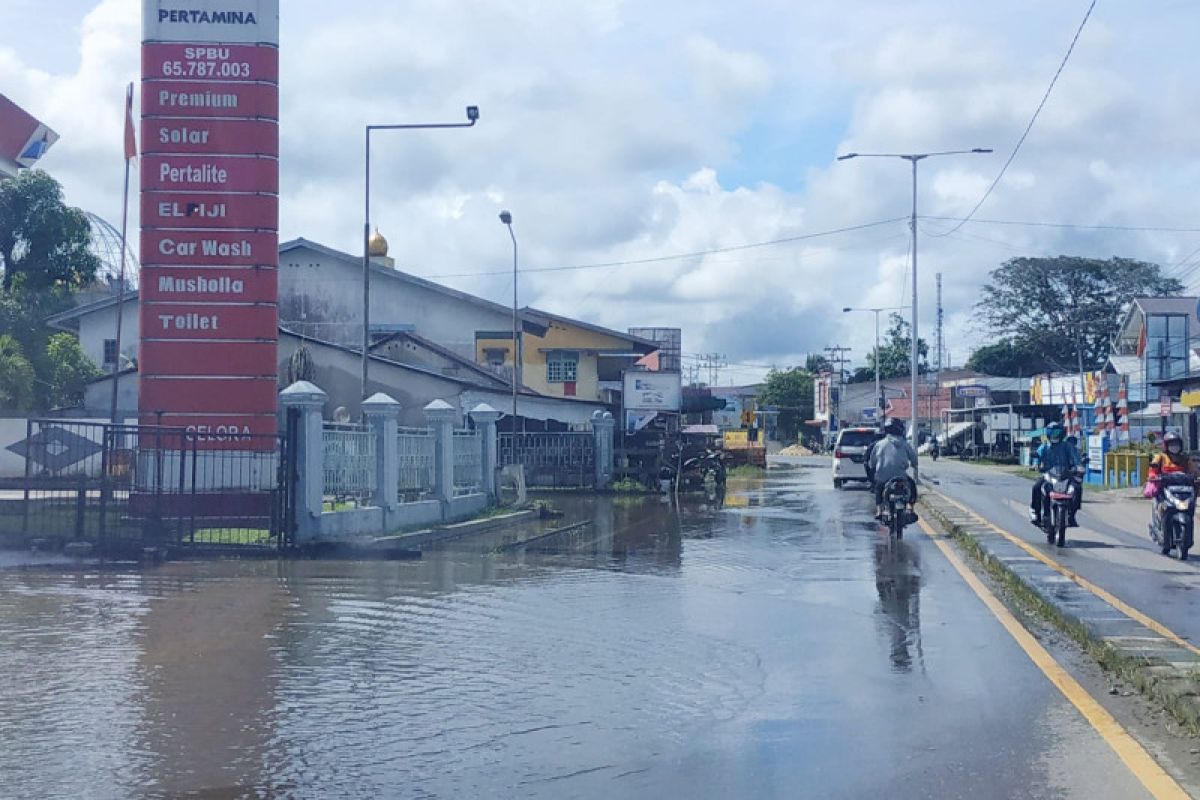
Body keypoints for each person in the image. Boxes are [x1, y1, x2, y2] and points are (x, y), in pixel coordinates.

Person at [1029, 422, 1082, 527]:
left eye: (1057, 432)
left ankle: (1071, 515)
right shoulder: (1044, 447)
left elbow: (1075, 458)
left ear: (1062, 433)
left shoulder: (1067, 446)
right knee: (1036, 487)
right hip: (1048, 475)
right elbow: (1037, 457)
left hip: (1065, 475)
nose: (1054, 435)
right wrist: (1035, 465)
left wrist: (1079, 466)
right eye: (1052, 432)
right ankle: (1037, 513)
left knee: (1077, 488)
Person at [1147, 432, 1200, 531]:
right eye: (1171, 444)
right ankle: (1159, 523)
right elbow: (1152, 469)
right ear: (1166, 446)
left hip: (1182, 488)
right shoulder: (1160, 457)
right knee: (1160, 505)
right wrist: (1153, 476)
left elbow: (1194, 470)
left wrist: (1197, 477)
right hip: (1166, 487)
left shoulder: (1185, 458)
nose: (1174, 447)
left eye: (1176, 444)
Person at [870, 417, 918, 520]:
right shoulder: (905, 444)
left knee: (878, 488)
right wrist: (914, 465)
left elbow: (872, 462)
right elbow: (914, 459)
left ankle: (879, 510)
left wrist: (873, 467)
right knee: (912, 485)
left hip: (883, 477)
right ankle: (911, 508)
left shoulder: (879, 444)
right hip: (901, 476)